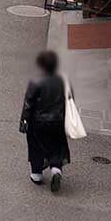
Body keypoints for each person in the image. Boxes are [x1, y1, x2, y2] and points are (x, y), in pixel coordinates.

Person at [20, 50, 71, 192]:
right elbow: (69, 98)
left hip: (38, 121)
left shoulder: (36, 80)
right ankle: (56, 168)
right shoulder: (62, 80)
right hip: (58, 120)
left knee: (36, 144)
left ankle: (36, 173)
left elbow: (28, 103)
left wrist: (24, 119)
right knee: (57, 144)